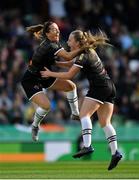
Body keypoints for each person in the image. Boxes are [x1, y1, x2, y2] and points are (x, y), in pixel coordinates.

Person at [40, 30, 122, 170]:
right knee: (105, 122)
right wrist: (56, 62)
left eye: (70, 40)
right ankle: (115, 152)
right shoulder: (87, 51)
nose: (68, 42)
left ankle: (87, 145)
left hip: (99, 87)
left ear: (77, 42)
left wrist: (49, 73)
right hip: (109, 86)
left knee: (84, 115)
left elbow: (69, 75)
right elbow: (71, 63)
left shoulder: (83, 55)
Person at [21, 21, 87, 142]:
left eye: (58, 29)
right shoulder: (50, 46)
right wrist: (84, 48)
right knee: (46, 106)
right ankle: (35, 126)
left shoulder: (53, 43)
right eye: (54, 30)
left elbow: (62, 61)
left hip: (44, 75)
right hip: (31, 80)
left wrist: (67, 63)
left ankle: (75, 113)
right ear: (47, 33)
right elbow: (68, 56)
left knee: (71, 86)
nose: (58, 31)